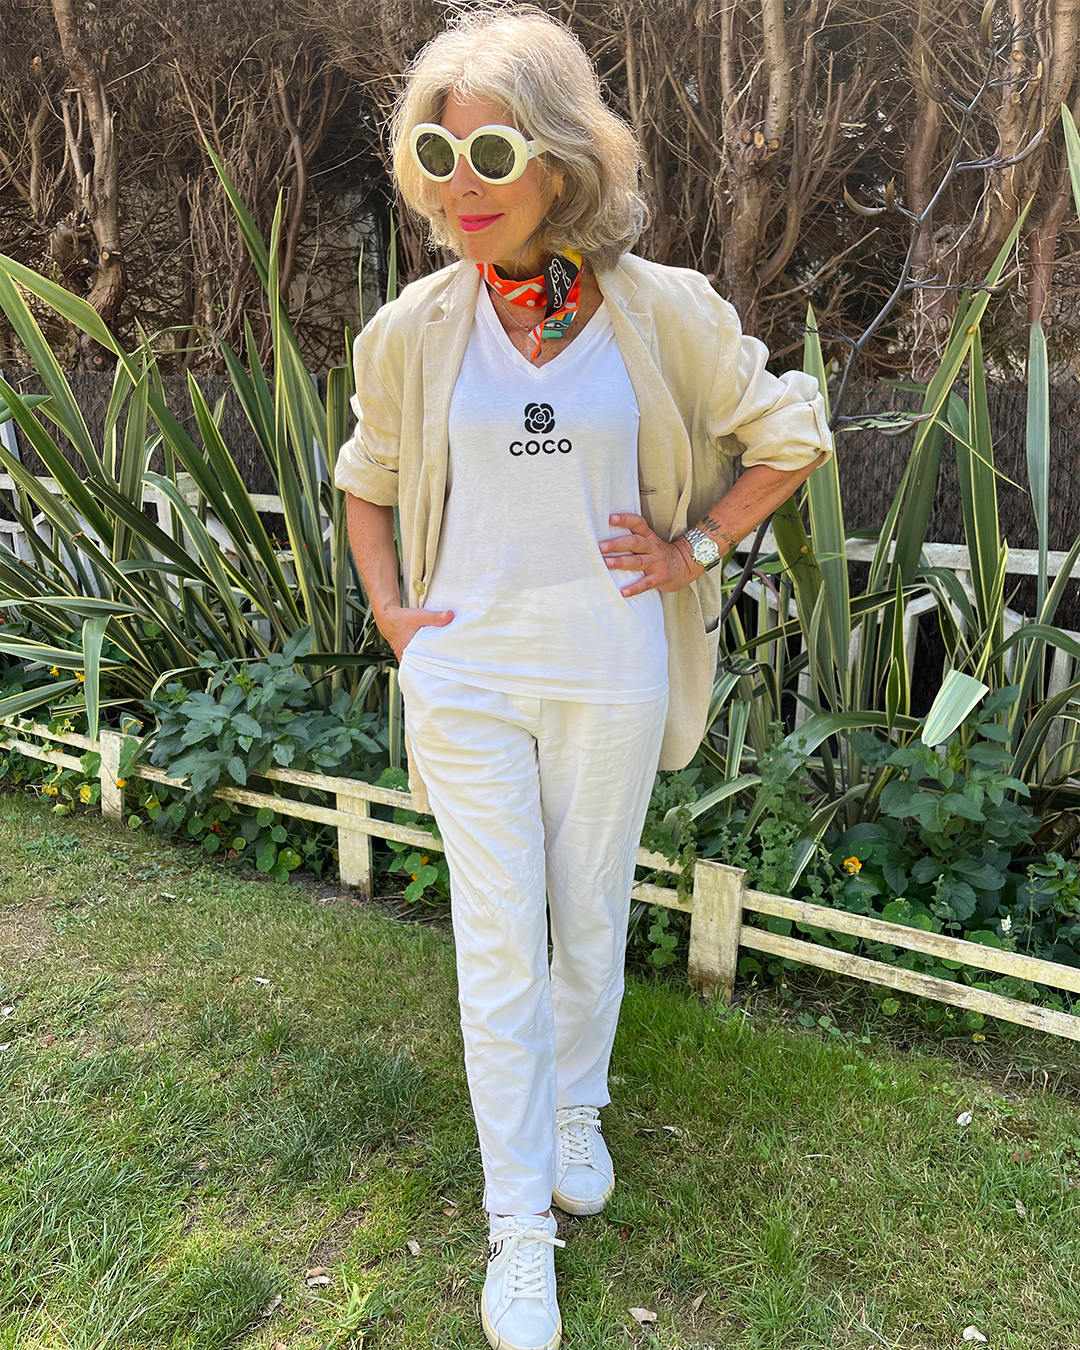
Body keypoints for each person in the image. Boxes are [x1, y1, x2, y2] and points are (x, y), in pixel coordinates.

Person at [335, 7, 832, 1348]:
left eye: (494, 151)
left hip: (610, 667)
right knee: (498, 939)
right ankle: (517, 1228)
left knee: (588, 907)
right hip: (469, 674)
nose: (463, 183)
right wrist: (397, 619)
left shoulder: (661, 312)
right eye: (439, 152)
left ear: (561, 160)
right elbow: (365, 479)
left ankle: (576, 1107)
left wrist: (695, 549)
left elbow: (789, 433)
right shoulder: (414, 328)